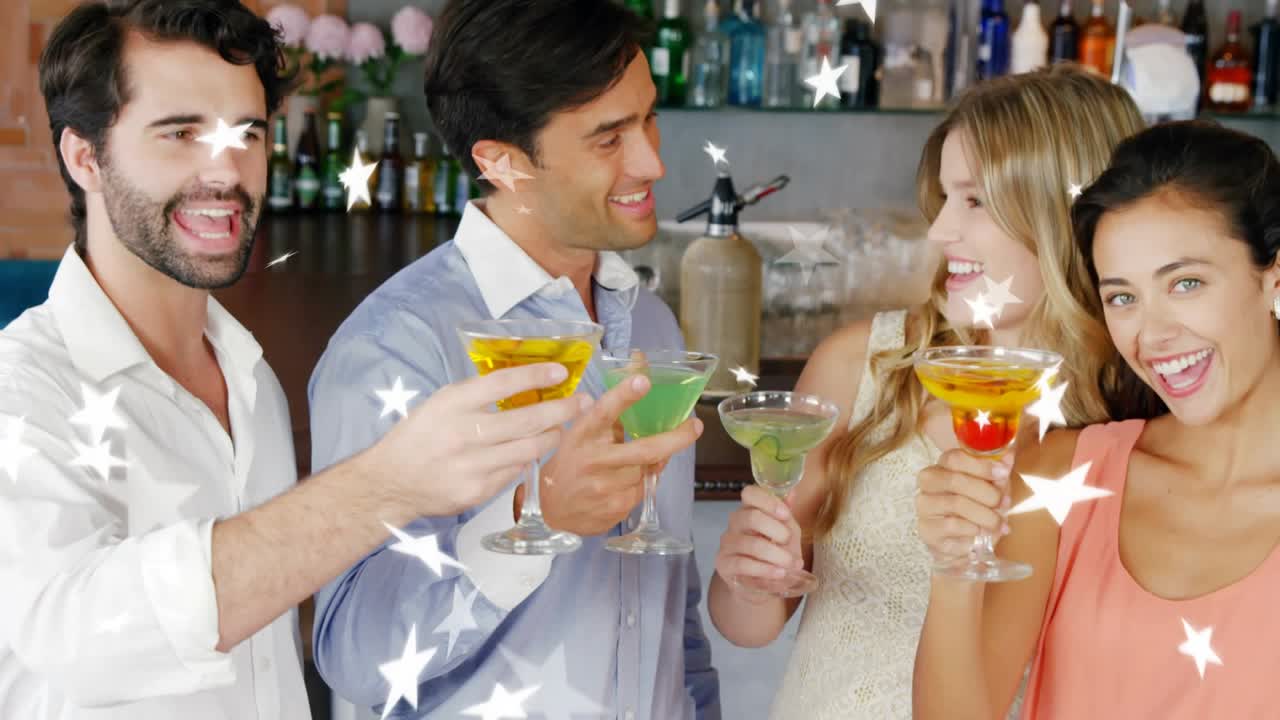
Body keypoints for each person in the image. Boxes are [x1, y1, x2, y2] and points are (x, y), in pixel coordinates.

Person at [0, 2, 588, 718]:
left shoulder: (252, 380)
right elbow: (79, 636)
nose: (226, 170)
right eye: (180, 133)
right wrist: (384, 486)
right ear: (84, 156)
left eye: (247, 132)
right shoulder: (21, 391)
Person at [307, 1, 720, 718]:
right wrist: (538, 516)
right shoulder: (396, 347)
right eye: (607, 138)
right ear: (500, 162)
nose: (652, 160)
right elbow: (356, 655)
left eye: (647, 117)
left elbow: (667, 612)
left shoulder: (651, 323)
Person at [706, 65, 1145, 719]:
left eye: (974, 201)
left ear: (1062, 213)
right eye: (943, 198)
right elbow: (748, 623)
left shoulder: (1140, 406)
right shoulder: (864, 366)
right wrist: (746, 579)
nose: (939, 231)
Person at [914, 121, 1280, 718]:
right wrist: (956, 559)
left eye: (1186, 283)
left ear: (1272, 274)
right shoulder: (1065, 477)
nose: (1153, 335)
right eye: (1122, 297)